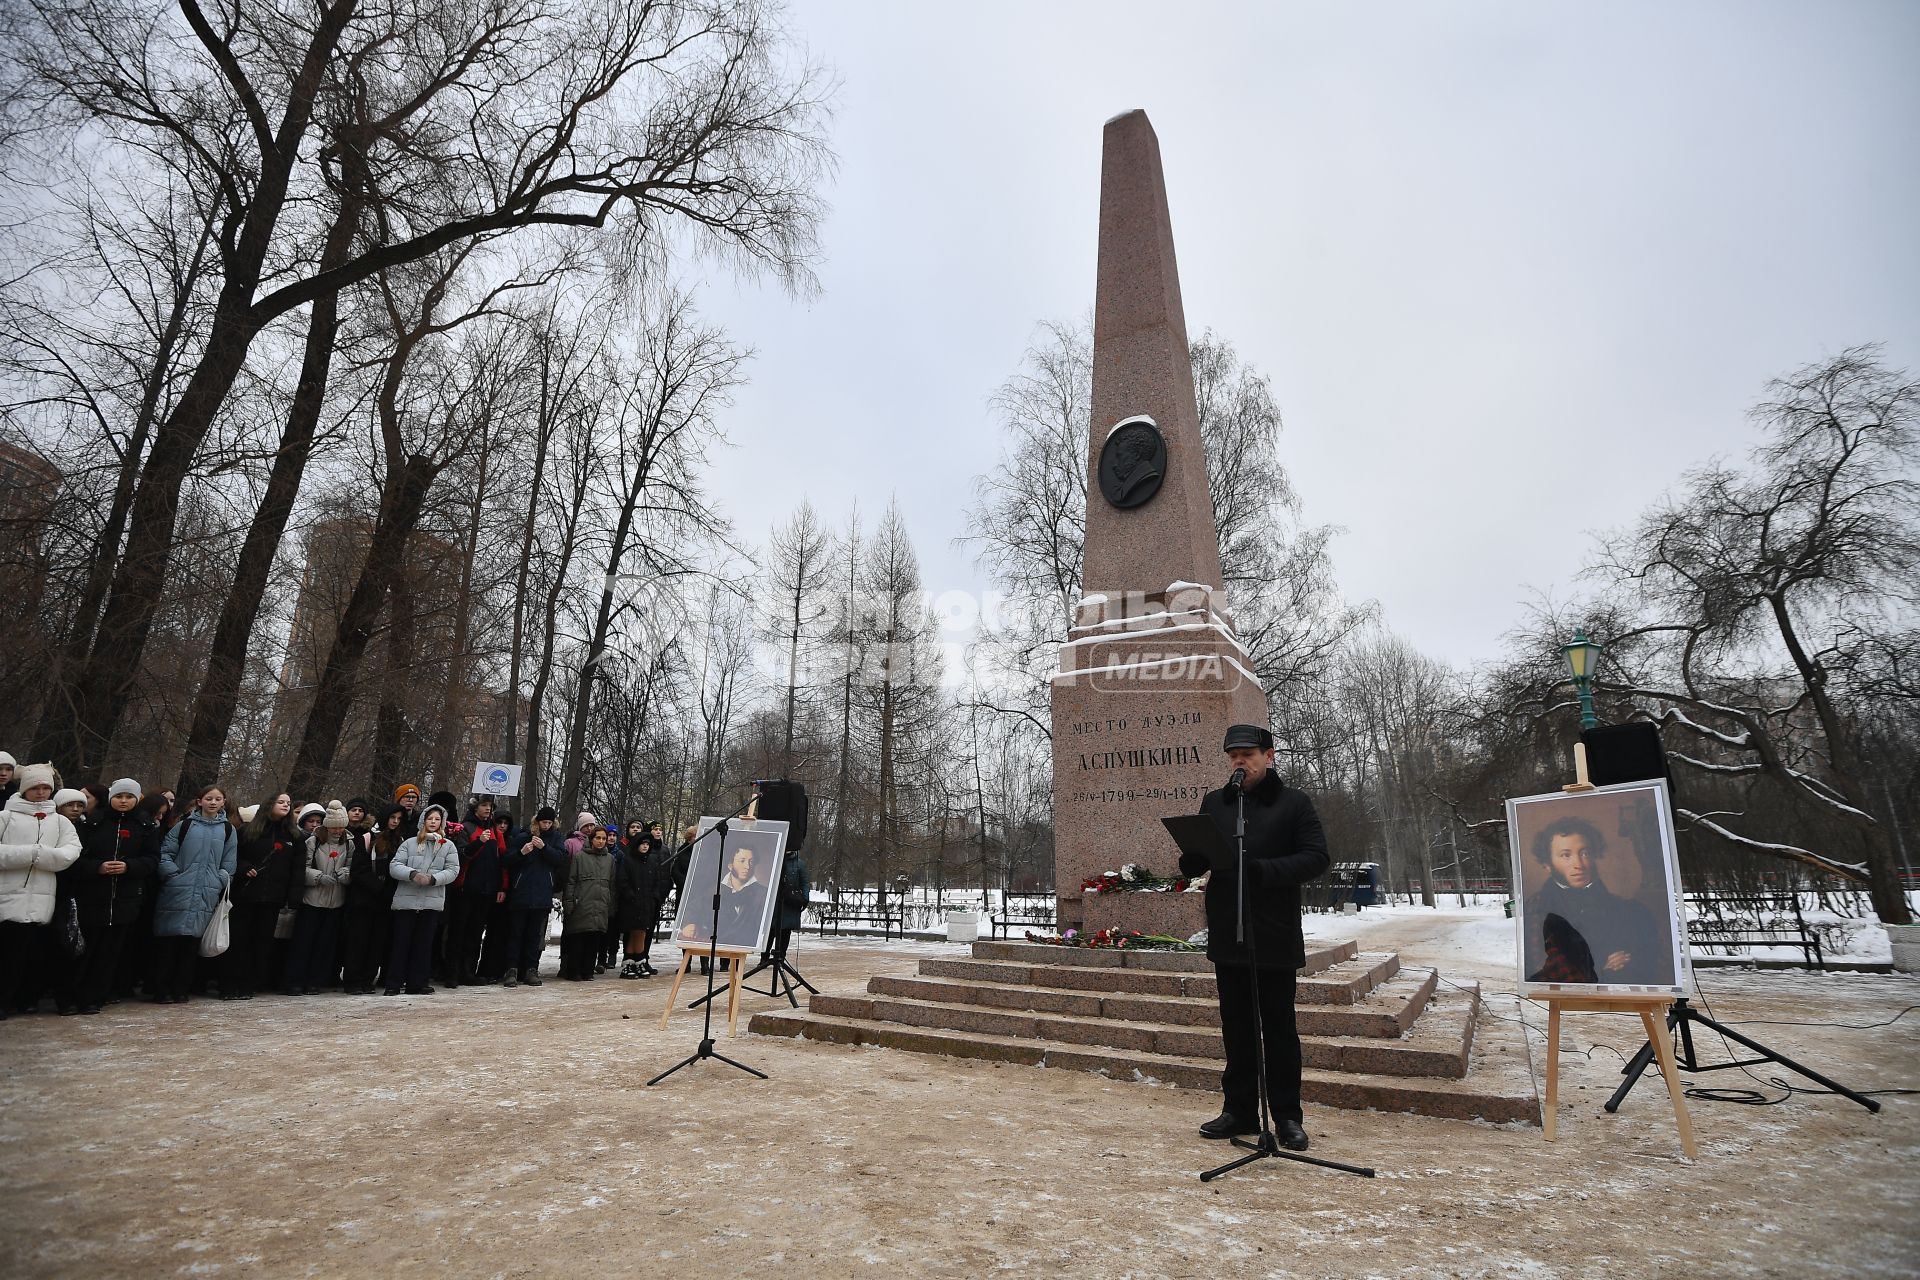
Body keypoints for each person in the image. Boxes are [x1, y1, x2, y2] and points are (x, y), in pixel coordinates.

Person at [1180, 723, 1329, 1152]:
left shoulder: (1293, 803)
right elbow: (1202, 859)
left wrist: (1265, 870)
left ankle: (1287, 1116)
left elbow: (1316, 857)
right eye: (1233, 756)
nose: (1239, 762)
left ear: (1270, 755)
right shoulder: (1217, 802)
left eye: (1247, 754)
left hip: (1275, 932)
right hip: (1229, 931)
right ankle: (1239, 1109)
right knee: (1237, 1027)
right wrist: (1192, 859)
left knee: (1279, 1029)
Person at [1524, 816, 1669, 986]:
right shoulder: (1536, 908)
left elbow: (1644, 967)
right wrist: (1600, 967)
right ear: (1547, 863)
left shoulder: (1629, 911)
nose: (1578, 864)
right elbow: (1542, 971)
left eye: (1584, 853)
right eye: (1566, 855)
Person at [56, 777, 159, 1015]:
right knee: (81, 951)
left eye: (129, 797)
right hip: (90, 897)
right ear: (111, 798)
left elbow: (152, 859)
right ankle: (68, 997)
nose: (123, 801)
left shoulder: (145, 826)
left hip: (125, 899)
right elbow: (73, 859)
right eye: (119, 796)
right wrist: (97, 868)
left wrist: (129, 867)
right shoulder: (91, 822)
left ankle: (94, 997)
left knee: (109, 955)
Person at [0, 763, 84, 1016]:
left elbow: (70, 852)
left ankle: (26, 999)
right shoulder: (5, 817)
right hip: (7, 895)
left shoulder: (59, 822)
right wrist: (30, 853)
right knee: (7, 955)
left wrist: (41, 856)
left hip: (44, 899)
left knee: (34, 956)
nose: (41, 792)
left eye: (46, 787)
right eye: (35, 787)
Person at [149, 786, 237, 1004]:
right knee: (169, 943)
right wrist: (173, 875)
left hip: (207, 892)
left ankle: (181, 989)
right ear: (199, 801)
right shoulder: (184, 825)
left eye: (218, 799)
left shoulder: (228, 830)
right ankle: (161, 989)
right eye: (209, 798)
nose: (213, 802)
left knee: (191, 946)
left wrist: (220, 879)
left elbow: (229, 861)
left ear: (224, 802)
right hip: (178, 890)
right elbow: (165, 853)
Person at [227, 793, 303, 999]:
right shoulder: (248, 831)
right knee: (238, 940)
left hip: (273, 898)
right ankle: (229, 984)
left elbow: (297, 870)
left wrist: (292, 898)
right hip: (246, 894)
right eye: (281, 802)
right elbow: (235, 857)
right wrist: (245, 868)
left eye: (288, 802)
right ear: (269, 805)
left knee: (261, 943)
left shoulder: (294, 835)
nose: (286, 805)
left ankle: (248, 985)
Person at [385, 804, 460, 996]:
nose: (433, 822)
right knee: (401, 943)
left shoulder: (447, 845)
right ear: (423, 821)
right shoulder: (409, 843)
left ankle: (417, 983)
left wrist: (434, 879)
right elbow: (395, 866)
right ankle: (393, 983)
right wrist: (413, 874)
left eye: (436, 819)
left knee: (424, 945)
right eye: (429, 819)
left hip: (431, 902)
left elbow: (453, 870)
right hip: (406, 902)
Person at [284, 801, 353, 994]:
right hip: (312, 899)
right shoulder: (313, 842)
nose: (338, 831)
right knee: (303, 943)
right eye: (335, 826)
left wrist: (346, 874)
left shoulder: (349, 842)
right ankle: (295, 980)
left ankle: (315, 980)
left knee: (325, 945)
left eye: (341, 826)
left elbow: (351, 865)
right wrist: (318, 877)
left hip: (335, 901)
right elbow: (301, 869)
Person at [446, 799, 508, 986]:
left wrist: (500, 887)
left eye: (490, 806)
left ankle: (468, 971)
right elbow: (461, 854)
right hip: (466, 888)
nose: (488, 809)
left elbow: (501, 860)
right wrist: (479, 842)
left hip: (486, 890)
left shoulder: (496, 831)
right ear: (475, 808)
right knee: (458, 932)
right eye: (483, 805)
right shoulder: (466, 827)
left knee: (475, 934)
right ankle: (452, 973)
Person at [503, 807, 566, 986]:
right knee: (516, 934)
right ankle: (511, 969)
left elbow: (561, 859)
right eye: (543, 822)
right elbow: (507, 860)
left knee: (534, 935)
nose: (546, 825)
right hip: (520, 893)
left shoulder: (556, 838)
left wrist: (544, 848)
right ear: (537, 822)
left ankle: (531, 968)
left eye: (549, 823)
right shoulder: (523, 837)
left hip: (542, 894)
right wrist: (521, 852)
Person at [341, 805, 401, 994]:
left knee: (376, 942)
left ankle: (368, 978)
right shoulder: (367, 838)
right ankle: (352, 980)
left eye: (399, 819)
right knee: (358, 941)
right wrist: (378, 887)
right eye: (392, 817)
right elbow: (358, 869)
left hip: (385, 901)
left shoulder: (399, 840)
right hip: (364, 899)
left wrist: (389, 891)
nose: (395, 821)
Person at [559, 826, 615, 980]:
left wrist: (610, 904)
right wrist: (569, 902)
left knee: (593, 940)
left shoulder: (609, 859)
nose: (601, 841)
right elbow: (571, 881)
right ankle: (574, 970)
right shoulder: (579, 857)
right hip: (582, 903)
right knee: (578, 940)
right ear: (591, 839)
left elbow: (612, 884)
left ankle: (588, 970)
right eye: (598, 838)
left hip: (600, 904)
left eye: (603, 838)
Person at [615, 833, 662, 978]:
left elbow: (657, 880)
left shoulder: (651, 862)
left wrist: (655, 896)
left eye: (647, 844)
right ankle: (631, 962)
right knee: (633, 933)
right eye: (642, 844)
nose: (645, 846)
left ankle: (638, 961)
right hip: (631, 904)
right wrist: (630, 895)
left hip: (646, 903)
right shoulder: (629, 861)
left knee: (641, 932)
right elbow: (622, 881)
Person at [716, 843, 769, 949]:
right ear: (730, 865)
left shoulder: (763, 894)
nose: (748, 866)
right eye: (742, 861)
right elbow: (696, 911)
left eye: (751, 861)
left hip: (746, 946)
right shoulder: (715, 890)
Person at [768, 845, 810, 967]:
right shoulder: (773, 860)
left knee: (785, 931)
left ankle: (781, 957)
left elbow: (805, 882)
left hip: (789, 902)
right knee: (770, 930)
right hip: (774, 901)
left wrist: (805, 898)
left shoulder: (799, 864)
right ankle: (764, 957)